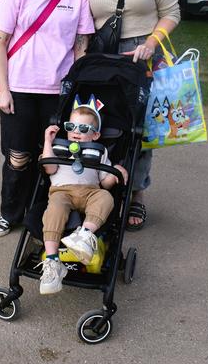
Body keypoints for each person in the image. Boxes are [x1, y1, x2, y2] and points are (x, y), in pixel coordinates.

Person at [74, 0, 181, 230]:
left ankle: (136, 194)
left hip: (142, 55)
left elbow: (171, 12)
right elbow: (71, 9)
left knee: (140, 132)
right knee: (100, 125)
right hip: (99, 57)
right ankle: (97, 191)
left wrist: (152, 42)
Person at [0, 0, 95, 237]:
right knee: (19, 157)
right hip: (19, 88)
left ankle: (42, 215)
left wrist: (75, 90)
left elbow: (80, 46)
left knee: (51, 157)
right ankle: (10, 212)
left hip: (57, 91)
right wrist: (4, 90)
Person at [37, 97, 128, 294]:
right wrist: (48, 142)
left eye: (84, 129)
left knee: (106, 197)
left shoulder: (100, 151)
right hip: (62, 192)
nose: (76, 132)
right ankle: (52, 263)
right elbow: (49, 168)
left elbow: (105, 182)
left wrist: (116, 171)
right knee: (54, 210)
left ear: (95, 135)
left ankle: (84, 236)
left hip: (91, 192)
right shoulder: (59, 147)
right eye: (72, 126)